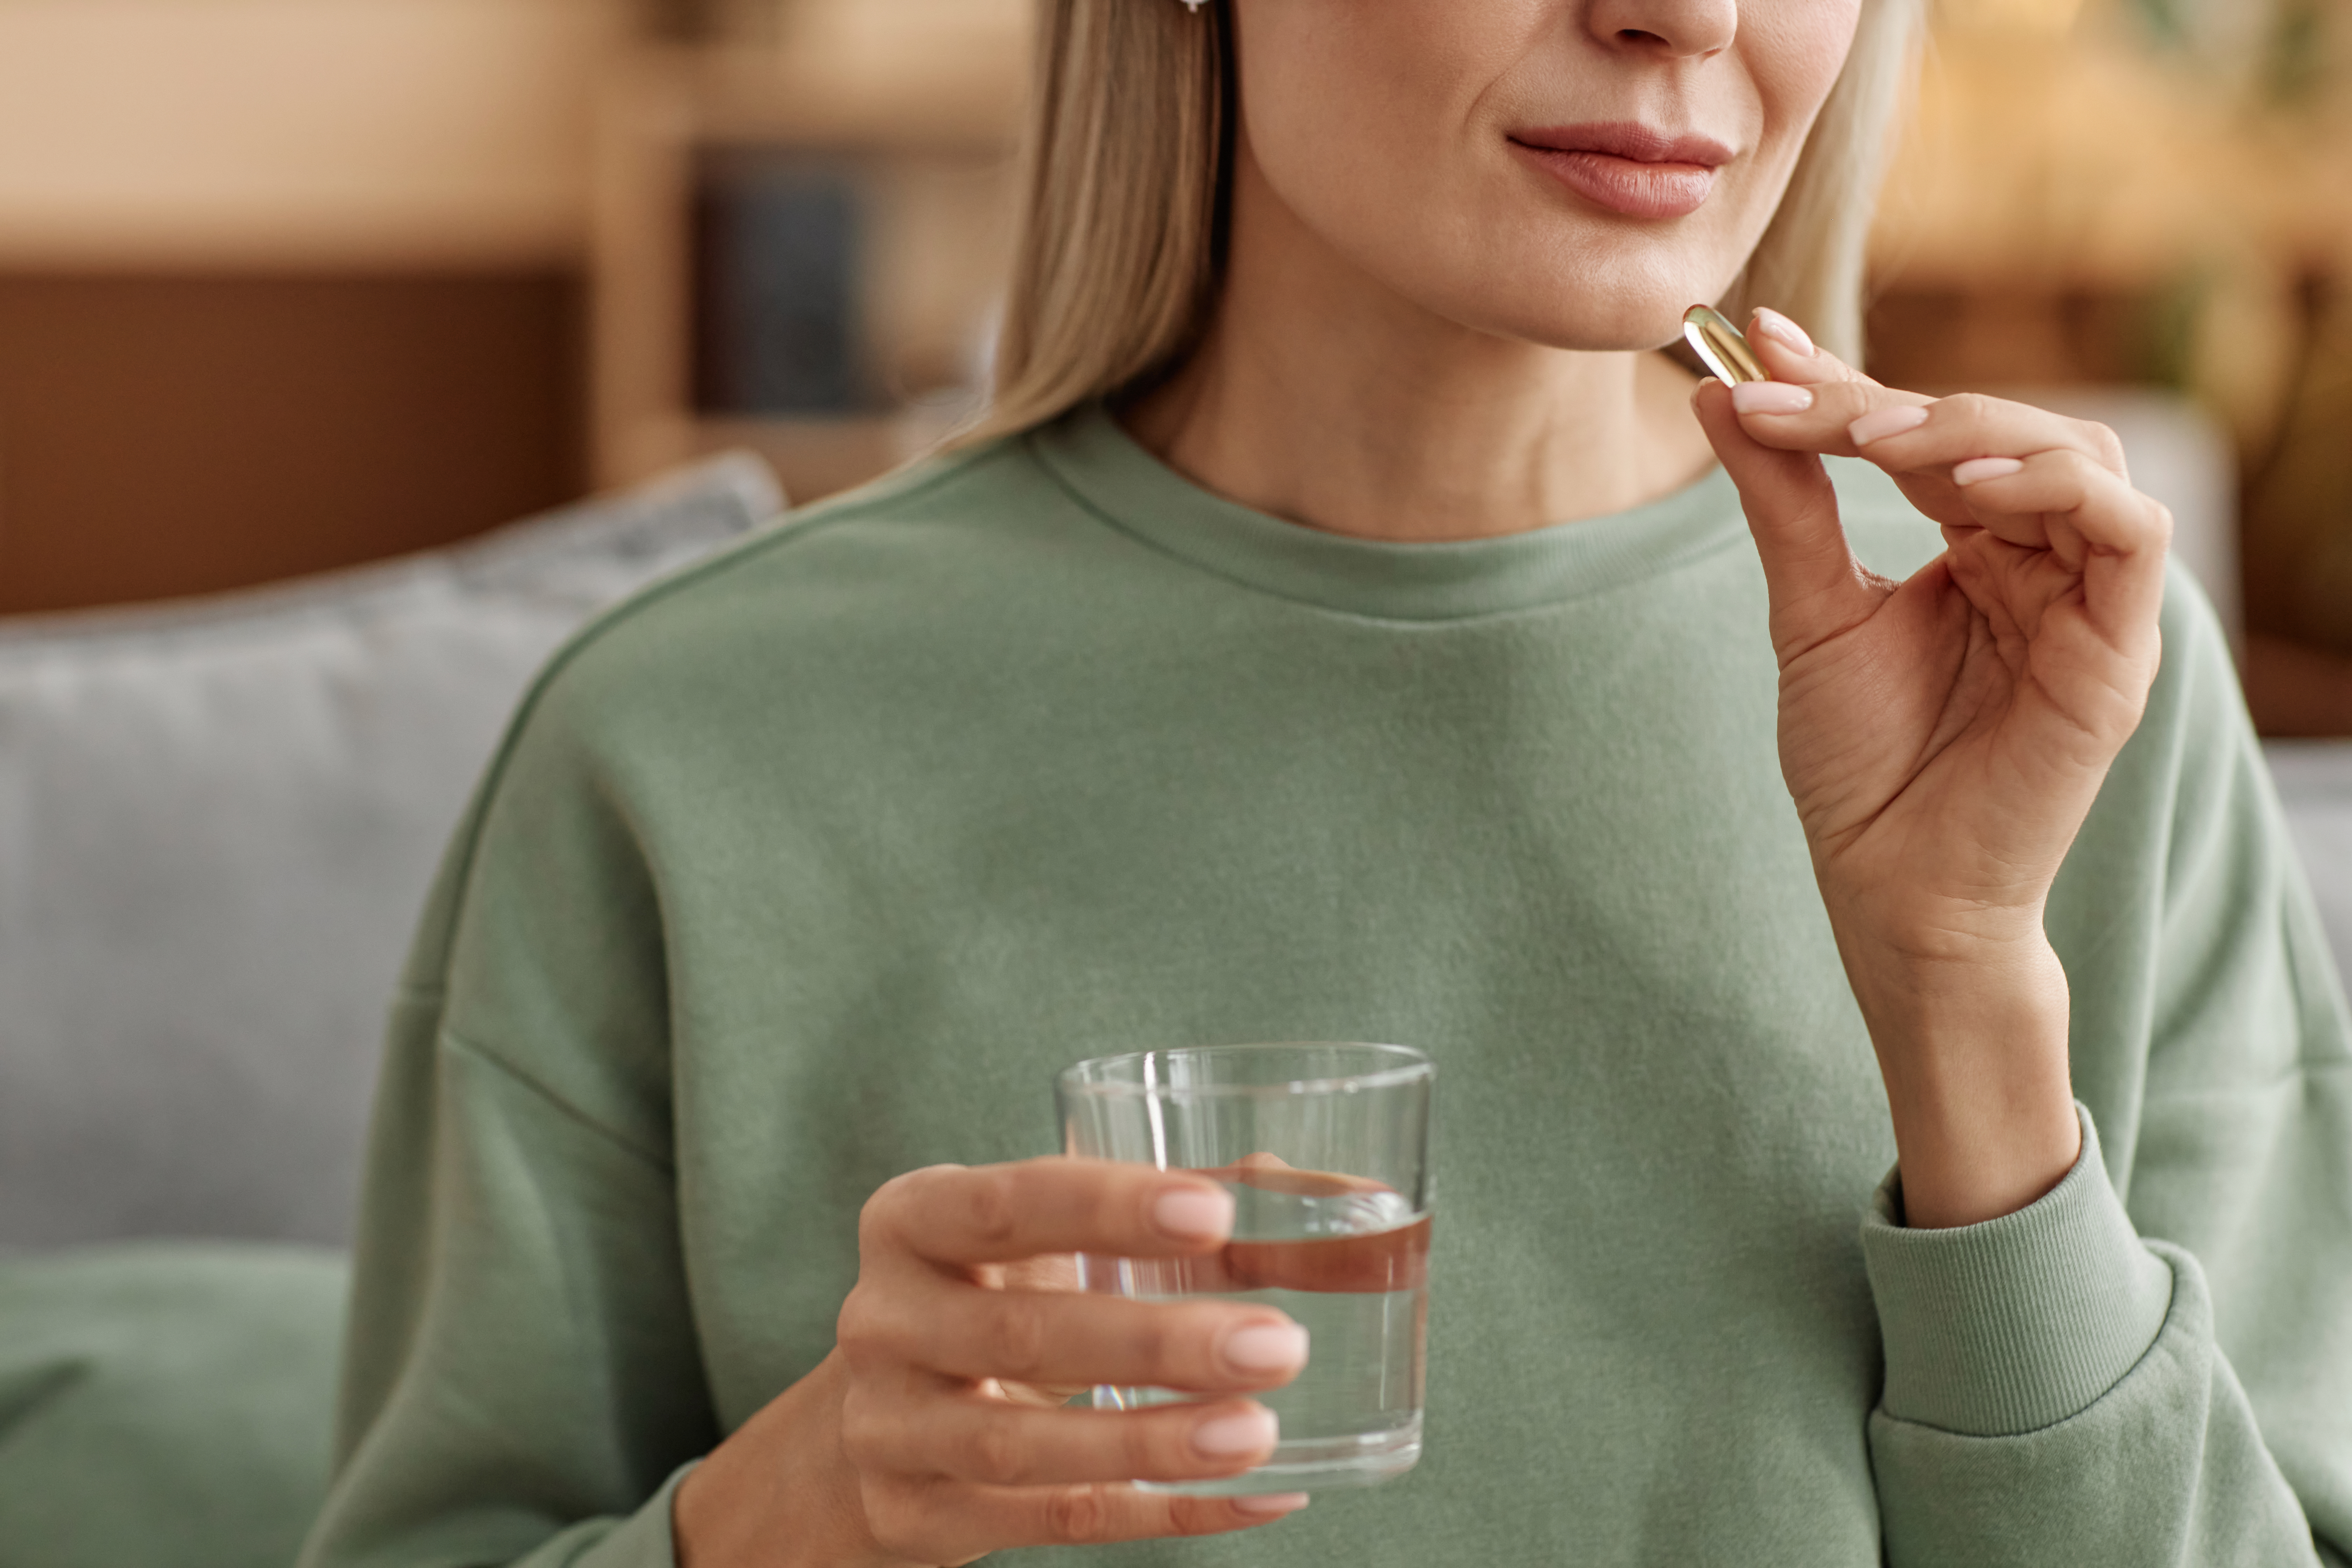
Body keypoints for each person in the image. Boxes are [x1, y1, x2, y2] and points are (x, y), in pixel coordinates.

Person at [298, 0, 2352, 1563]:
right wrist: (795, 1505)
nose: (1686, 18)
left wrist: (1972, 999)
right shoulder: (688, 745)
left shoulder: (2063, 702)